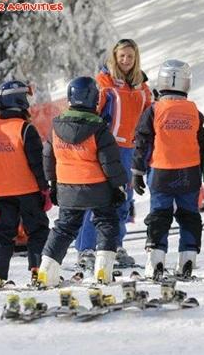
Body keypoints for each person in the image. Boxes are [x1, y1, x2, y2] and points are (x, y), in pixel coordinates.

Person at [36, 77, 127, 287]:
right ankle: (103, 271)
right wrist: (118, 186)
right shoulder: (99, 129)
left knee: (64, 228)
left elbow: (48, 157)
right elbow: (110, 162)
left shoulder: (56, 127)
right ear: (95, 100)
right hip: (97, 188)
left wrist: (53, 183)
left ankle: (46, 272)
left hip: (67, 187)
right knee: (107, 223)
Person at [76, 39, 153, 268]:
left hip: (130, 150)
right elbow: (92, 113)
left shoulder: (143, 87)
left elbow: (149, 119)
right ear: (114, 57)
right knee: (97, 198)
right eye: (122, 56)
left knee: (123, 201)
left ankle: (115, 246)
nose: (126, 61)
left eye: (130, 56)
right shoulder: (104, 82)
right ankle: (86, 249)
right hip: (106, 148)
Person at [132, 59, 204, 281]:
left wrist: (137, 171)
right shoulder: (194, 111)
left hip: (161, 171)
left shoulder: (154, 110)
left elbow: (142, 142)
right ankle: (188, 259)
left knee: (159, 215)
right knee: (189, 215)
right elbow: (201, 143)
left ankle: (155, 261)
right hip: (189, 173)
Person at [0, 80, 51, 288]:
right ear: (19, 99)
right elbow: (37, 163)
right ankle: (39, 271)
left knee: (2, 234)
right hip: (28, 190)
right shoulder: (26, 128)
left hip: (2, 193)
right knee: (37, 231)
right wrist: (45, 188)